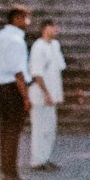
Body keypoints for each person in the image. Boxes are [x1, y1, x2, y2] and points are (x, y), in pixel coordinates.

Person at [0, 4, 32, 180]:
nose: (28, 22)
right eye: (26, 18)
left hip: (2, 86)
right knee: (13, 132)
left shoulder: (0, 36)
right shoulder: (16, 40)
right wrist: (25, 97)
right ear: (17, 19)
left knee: (6, 130)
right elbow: (19, 72)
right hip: (13, 87)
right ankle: (11, 172)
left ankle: (6, 168)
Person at [28, 18, 66, 171]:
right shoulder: (38, 47)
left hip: (53, 92)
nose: (56, 29)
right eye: (53, 26)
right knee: (40, 128)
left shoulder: (55, 45)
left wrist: (56, 93)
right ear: (45, 29)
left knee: (50, 128)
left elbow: (59, 68)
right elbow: (37, 73)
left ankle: (46, 157)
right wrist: (46, 93)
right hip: (41, 94)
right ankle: (37, 160)